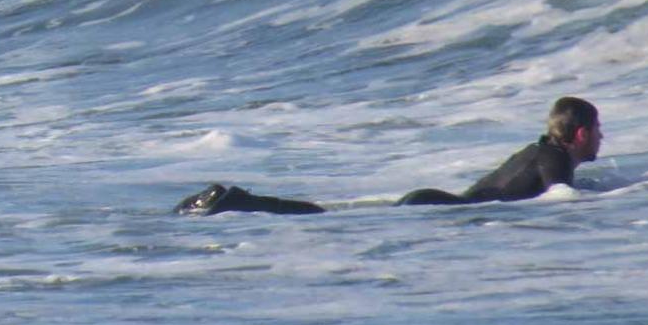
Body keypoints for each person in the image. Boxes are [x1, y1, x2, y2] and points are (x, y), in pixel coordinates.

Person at [174, 96, 602, 215]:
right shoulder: (555, 160)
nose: (602, 138)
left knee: (326, 216)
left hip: (435, 202)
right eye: (598, 130)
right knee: (324, 219)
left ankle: (239, 201)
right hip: (438, 208)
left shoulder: (536, 151)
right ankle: (237, 202)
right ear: (581, 134)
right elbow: (560, 200)